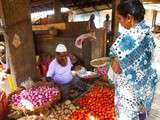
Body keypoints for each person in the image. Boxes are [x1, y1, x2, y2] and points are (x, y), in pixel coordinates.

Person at [109, 0, 158, 119]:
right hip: (144, 87)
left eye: (120, 18)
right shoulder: (148, 33)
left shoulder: (127, 39)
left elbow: (116, 68)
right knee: (141, 115)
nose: (119, 23)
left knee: (129, 115)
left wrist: (114, 55)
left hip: (129, 92)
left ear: (129, 18)